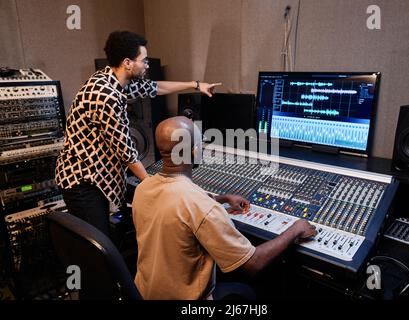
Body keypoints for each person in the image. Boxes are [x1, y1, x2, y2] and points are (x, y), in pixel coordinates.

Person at [132, 116, 318, 300]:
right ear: (195, 152)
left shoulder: (143, 188)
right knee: (247, 292)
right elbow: (252, 264)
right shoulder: (203, 208)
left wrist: (221, 199)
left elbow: (174, 202)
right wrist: (294, 230)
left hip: (145, 293)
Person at [55, 31, 221, 235]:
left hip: (97, 175)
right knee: (98, 245)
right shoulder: (105, 95)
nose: (147, 65)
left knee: (111, 236)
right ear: (127, 62)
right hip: (82, 181)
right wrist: (154, 185)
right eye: (144, 60)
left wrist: (196, 85)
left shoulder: (114, 81)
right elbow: (126, 151)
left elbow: (155, 87)